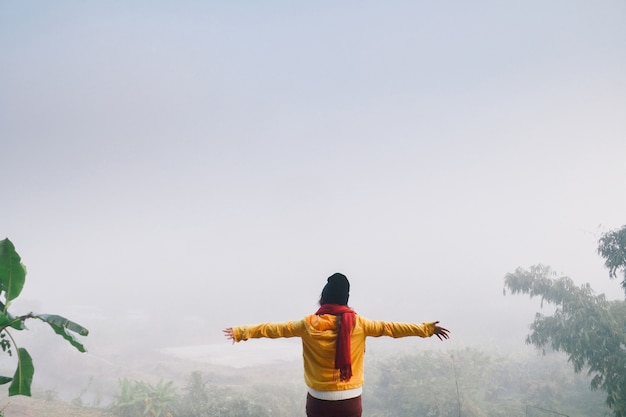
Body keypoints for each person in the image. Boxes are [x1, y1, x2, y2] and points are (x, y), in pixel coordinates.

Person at [223, 272, 450, 417]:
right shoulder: (359, 324)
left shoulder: (308, 324)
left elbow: (273, 329)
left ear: (323, 297)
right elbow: (391, 328)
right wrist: (426, 329)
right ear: (346, 299)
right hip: (350, 401)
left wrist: (241, 332)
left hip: (319, 401)